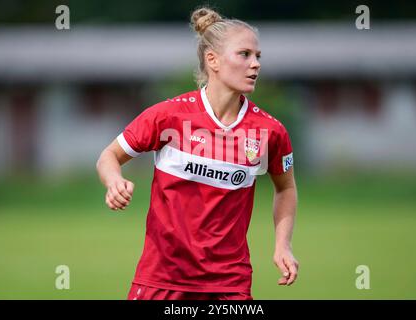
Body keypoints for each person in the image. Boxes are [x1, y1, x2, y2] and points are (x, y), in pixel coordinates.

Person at [96, 7, 299, 300]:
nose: (255, 64)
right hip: (162, 280)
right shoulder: (169, 116)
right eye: (244, 54)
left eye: (258, 56)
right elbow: (109, 156)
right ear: (212, 60)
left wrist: (283, 245)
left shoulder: (270, 130)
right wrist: (113, 180)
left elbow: (286, 188)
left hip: (229, 285)